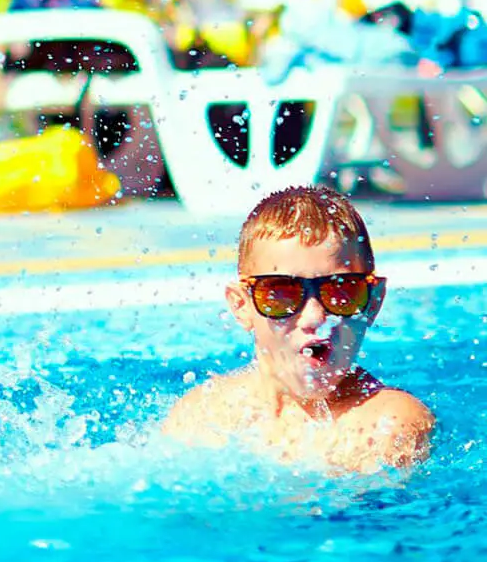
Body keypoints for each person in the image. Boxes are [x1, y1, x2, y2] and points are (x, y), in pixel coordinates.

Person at [161, 185, 434, 473]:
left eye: (342, 292)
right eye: (281, 293)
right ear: (242, 306)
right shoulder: (199, 418)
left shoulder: (388, 424)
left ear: (373, 302)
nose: (315, 317)